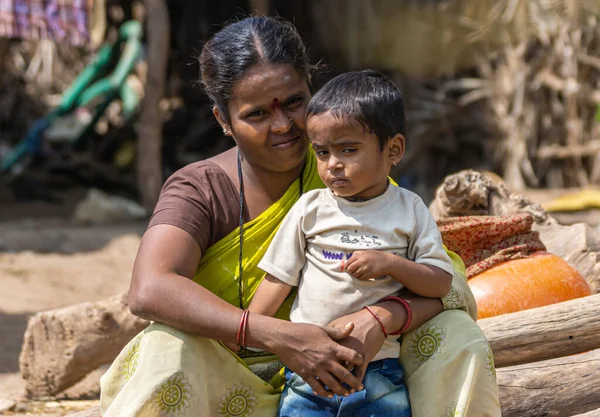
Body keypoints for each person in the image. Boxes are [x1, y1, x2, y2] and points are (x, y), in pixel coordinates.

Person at [99, 16, 501, 417]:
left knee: (456, 335)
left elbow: (446, 287)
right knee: (165, 349)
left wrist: (379, 318)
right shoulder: (200, 189)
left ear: (312, 89)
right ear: (224, 120)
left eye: (294, 102)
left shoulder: (355, 175)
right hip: (231, 383)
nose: (283, 125)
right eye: (257, 114)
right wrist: (279, 337)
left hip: (361, 372)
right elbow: (150, 289)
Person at [248, 70, 455, 417]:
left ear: (393, 149)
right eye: (323, 152)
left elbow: (440, 283)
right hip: (308, 372)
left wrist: (391, 265)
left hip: (378, 373)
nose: (333, 166)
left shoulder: (409, 209)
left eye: (348, 150)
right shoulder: (311, 209)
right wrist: (247, 333)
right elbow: (278, 278)